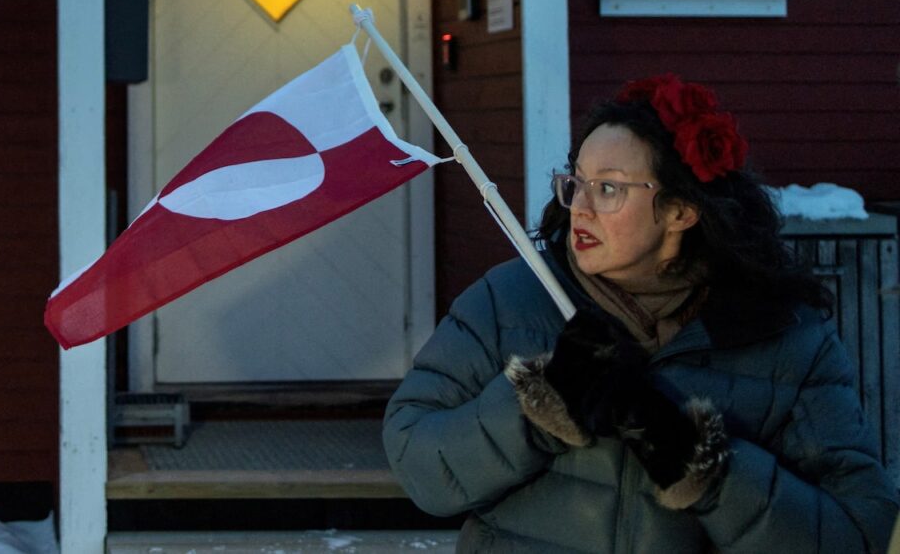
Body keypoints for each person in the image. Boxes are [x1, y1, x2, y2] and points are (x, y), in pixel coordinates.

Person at [382, 74, 900, 552]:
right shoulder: (512, 299)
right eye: (575, 181)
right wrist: (535, 413)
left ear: (680, 210)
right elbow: (417, 460)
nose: (578, 207)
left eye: (607, 188)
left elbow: (857, 530)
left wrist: (707, 469)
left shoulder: (783, 337)